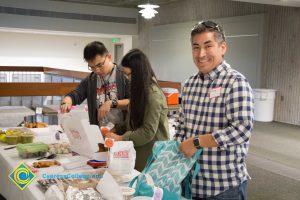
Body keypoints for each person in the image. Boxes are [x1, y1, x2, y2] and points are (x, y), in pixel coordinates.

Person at [175, 20, 254, 200]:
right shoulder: (189, 85)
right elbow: (181, 127)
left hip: (223, 187)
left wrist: (197, 142)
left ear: (223, 47)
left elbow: (242, 131)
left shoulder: (235, 82)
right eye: (196, 47)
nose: (201, 54)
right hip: (192, 183)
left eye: (208, 46)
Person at [105, 49, 169, 171]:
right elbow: (132, 120)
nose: (127, 78)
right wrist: (117, 129)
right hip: (138, 154)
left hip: (151, 158)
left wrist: (121, 138)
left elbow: (147, 131)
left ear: (139, 72)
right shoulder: (139, 91)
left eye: (129, 74)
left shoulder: (153, 95)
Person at [60, 41, 130, 126]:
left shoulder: (124, 75)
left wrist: (111, 103)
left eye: (100, 65)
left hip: (121, 133)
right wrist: (67, 101)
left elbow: (134, 102)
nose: (97, 70)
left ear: (109, 57)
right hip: (99, 132)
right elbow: (76, 94)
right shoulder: (91, 80)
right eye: (92, 67)